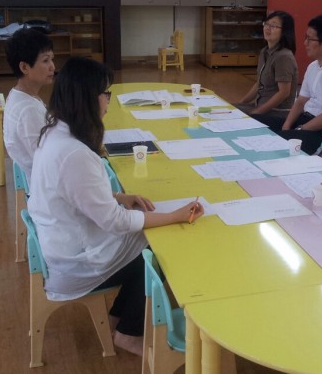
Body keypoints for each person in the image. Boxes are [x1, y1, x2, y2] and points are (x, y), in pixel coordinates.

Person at [27, 57, 204, 356]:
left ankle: (118, 318)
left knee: (146, 240)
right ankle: (128, 333)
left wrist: (120, 197)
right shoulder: (74, 152)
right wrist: (173, 216)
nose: (108, 100)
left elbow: (73, 193)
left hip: (63, 244)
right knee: (160, 247)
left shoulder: (55, 132)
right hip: (74, 262)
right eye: (105, 93)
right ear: (88, 98)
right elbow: (116, 222)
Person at [259, 14, 322, 155]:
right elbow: (300, 102)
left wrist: (299, 129)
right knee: (258, 124)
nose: (305, 43)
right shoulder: (313, 66)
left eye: (310, 39)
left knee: (278, 142)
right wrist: (286, 126)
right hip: (306, 120)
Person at [3, 28, 55, 183]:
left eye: (52, 59)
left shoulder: (19, 94)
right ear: (24, 67)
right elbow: (46, 160)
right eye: (45, 60)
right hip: (46, 185)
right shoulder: (28, 110)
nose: (52, 66)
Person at [236, 11, 298, 119]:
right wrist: (241, 103)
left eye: (273, 26)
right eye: (266, 24)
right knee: (229, 110)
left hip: (277, 113)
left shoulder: (283, 56)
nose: (267, 28)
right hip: (260, 106)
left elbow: (284, 93)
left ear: (284, 31)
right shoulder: (265, 52)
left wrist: (257, 112)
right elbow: (259, 84)